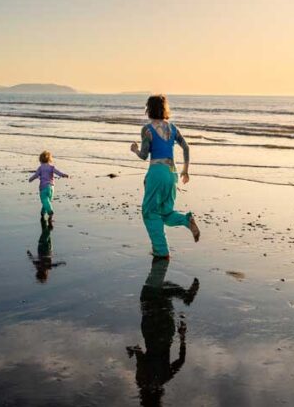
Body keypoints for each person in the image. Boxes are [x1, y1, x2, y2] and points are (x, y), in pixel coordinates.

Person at [130, 94, 200, 258]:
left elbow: (144, 155)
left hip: (157, 172)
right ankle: (185, 221)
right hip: (171, 172)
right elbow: (186, 147)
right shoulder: (173, 128)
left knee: (150, 212)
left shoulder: (147, 129)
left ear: (149, 109)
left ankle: (161, 251)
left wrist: (134, 149)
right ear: (164, 109)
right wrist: (185, 170)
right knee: (165, 211)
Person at [126, 258, 199, 407]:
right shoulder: (142, 380)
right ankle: (185, 295)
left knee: (162, 291)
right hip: (151, 330)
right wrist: (133, 349)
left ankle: (184, 294)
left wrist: (182, 337)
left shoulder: (163, 378)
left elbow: (181, 361)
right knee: (156, 291)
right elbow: (140, 353)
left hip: (165, 334)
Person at [27, 150, 69, 225]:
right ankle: (43, 212)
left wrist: (30, 179)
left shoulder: (40, 168)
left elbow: (36, 175)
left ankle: (50, 212)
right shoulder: (52, 167)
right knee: (47, 201)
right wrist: (64, 175)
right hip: (51, 188)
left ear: (40, 160)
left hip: (43, 188)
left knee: (44, 200)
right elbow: (58, 172)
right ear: (49, 159)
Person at [27, 216, 65, 283]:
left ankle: (45, 222)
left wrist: (61, 263)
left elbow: (55, 265)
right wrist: (29, 253)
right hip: (43, 246)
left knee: (46, 234)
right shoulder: (39, 266)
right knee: (46, 234)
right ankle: (49, 225)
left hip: (49, 248)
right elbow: (32, 259)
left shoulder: (46, 267)